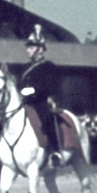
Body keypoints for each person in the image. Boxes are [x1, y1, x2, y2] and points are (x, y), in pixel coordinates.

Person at [18, 28, 63, 165]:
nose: (28, 50)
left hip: (40, 101)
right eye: (28, 48)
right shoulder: (24, 67)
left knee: (46, 119)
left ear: (40, 49)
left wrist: (33, 90)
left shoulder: (48, 66)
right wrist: (21, 91)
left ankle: (55, 151)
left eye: (31, 47)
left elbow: (51, 85)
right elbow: (20, 84)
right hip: (24, 101)